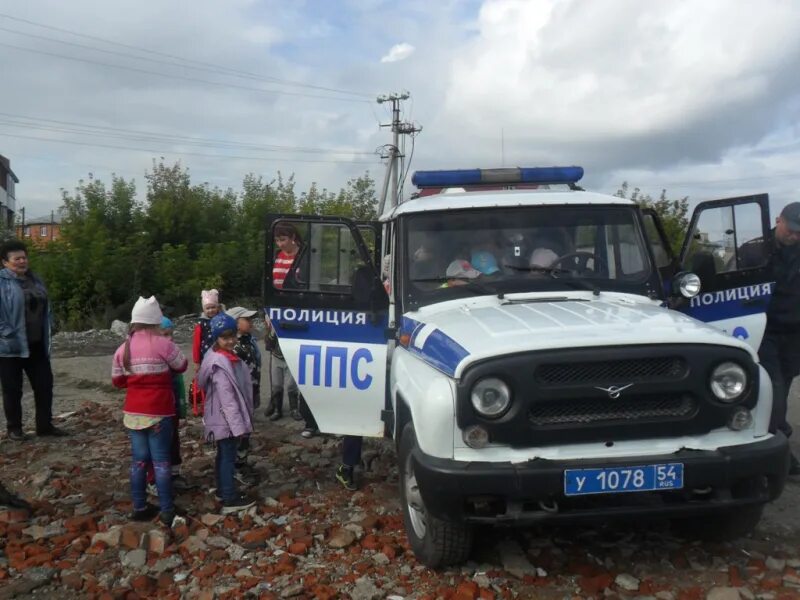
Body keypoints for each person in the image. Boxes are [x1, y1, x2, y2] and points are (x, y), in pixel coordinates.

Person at [111, 296, 188, 526]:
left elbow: (117, 381)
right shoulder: (162, 344)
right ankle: (167, 509)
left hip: (133, 411)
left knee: (139, 461)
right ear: (155, 321)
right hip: (159, 410)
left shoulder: (123, 348)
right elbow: (181, 365)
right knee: (162, 461)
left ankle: (140, 506)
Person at [0, 239, 66, 441]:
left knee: (44, 385)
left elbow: (46, 307)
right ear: (4, 262)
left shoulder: (35, 280)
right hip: (10, 346)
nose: (22, 261)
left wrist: (50, 325)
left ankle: (44, 426)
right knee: (13, 389)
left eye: (24, 257)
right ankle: (14, 429)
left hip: (36, 344)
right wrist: (5, 332)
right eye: (16, 258)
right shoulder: (2, 283)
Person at [752, 202, 800, 475]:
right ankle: (778, 454)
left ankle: (776, 434)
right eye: (791, 230)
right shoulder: (755, 251)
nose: (794, 236)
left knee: (785, 383)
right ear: (778, 220)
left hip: (794, 333)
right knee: (775, 392)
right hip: (765, 330)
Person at [197, 312, 256, 514]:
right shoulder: (221, 364)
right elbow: (228, 399)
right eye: (225, 337)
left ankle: (223, 491)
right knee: (228, 456)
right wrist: (238, 427)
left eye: (232, 336)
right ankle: (229, 497)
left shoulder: (216, 356)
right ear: (216, 338)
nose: (230, 340)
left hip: (219, 418)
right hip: (226, 420)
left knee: (223, 455)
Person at [227, 306, 261, 482]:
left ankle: (242, 461)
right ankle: (235, 467)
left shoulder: (249, 340)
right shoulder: (233, 345)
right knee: (238, 431)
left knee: (246, 430)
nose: (251, 322)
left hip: (250, 392)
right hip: (238, 395)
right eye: (246, 319)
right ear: (236, 323)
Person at [263, 315, 302, 421]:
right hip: (276, 357)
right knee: (276, 385)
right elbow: (268, 346)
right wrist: (272, 332)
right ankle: (277, 410)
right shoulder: (271, 324)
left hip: (291, 358)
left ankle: (294, 409)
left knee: (291, 385)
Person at [192, 289, 221, 371]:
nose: (211, 310)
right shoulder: (200, 324)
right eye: (208, 308)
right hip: (205, 355)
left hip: (221, 354)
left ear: (217, 307)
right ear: (203, 309)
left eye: (213, 307)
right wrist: (196, 362)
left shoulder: (221, 320)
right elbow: (196, 344)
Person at [273, 223, 302, 290]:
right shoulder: (275, 255)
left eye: (283, 240)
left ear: (293, 237)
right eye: (277, 240)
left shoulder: (304, 256)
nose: (280, 245)